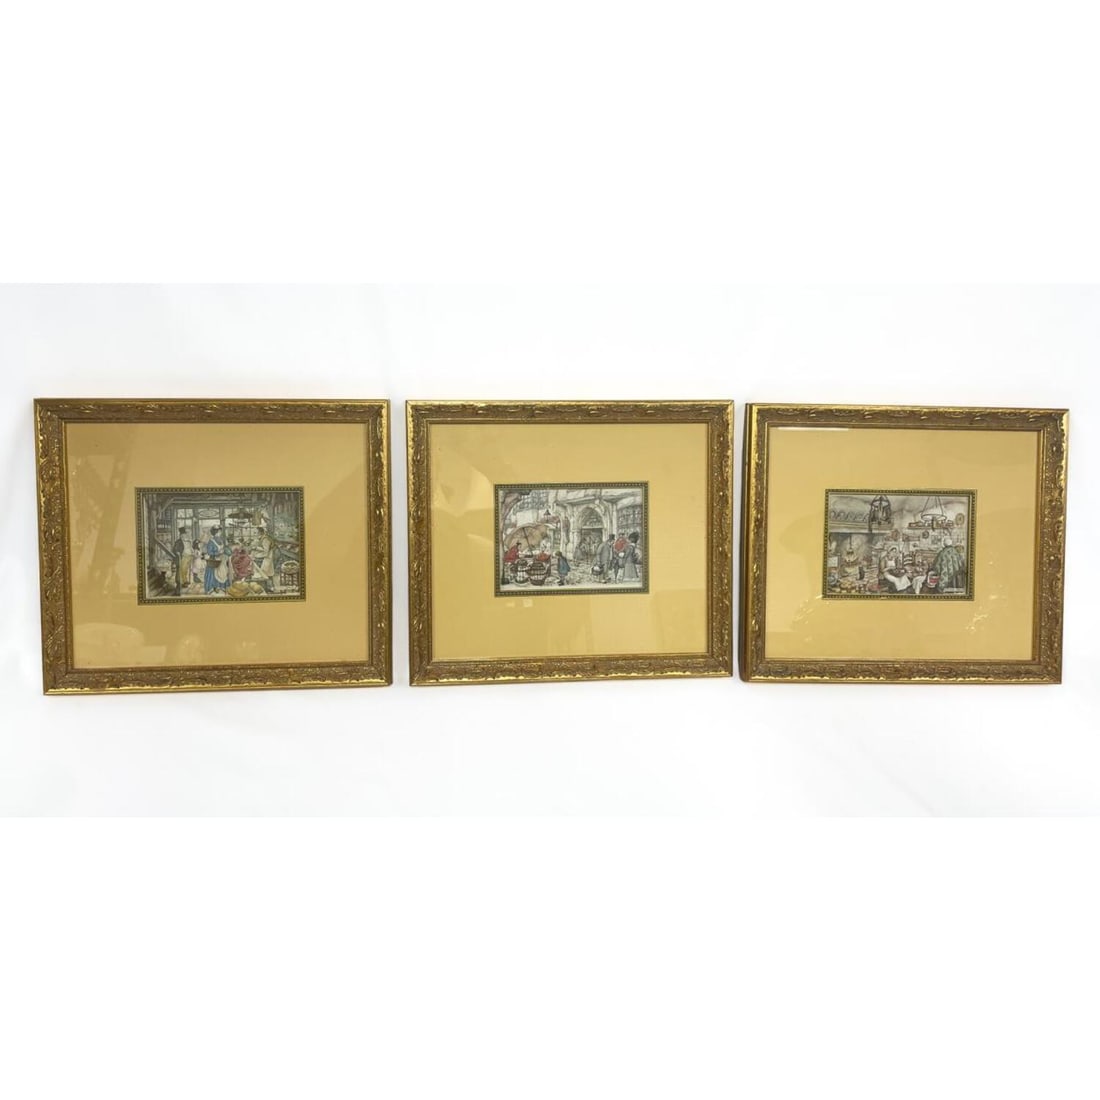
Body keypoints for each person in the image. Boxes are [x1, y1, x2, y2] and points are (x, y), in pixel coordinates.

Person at [203, 525, 227, 594]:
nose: (220, 533)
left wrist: (224, 551)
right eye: (219, 532)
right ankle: (210, 588)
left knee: (222, 573)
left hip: (221, 560)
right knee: (212, 574)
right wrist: (218, 553)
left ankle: (218, 586)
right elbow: (209, 552)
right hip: (214, 561)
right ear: (215, 532)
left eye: (220, 532)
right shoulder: (211, 541)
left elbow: (223, 548)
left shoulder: (221, 540)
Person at [256, 527, 278, 593]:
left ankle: (269, 588)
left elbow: (266, 552)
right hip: (268, 557)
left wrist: (257, 553)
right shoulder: (263, 538)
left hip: (268, 558)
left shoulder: (265, 539)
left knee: (265, 573)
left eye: (257, 532)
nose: (256, 534)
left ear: (260, 532)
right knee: (269, 573)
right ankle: (270, 588)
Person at [172, 527, 188, 595]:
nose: (184, 536)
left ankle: (183, 582)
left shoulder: (185, 542)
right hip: (179, 559)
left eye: (185, 535)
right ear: (180, 535)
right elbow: (174, 549)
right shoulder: (178, 542)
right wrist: (177, 552)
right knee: (179, 573)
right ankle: (178, 588)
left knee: (184, 572)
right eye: (183, 535)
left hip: (184, 559)